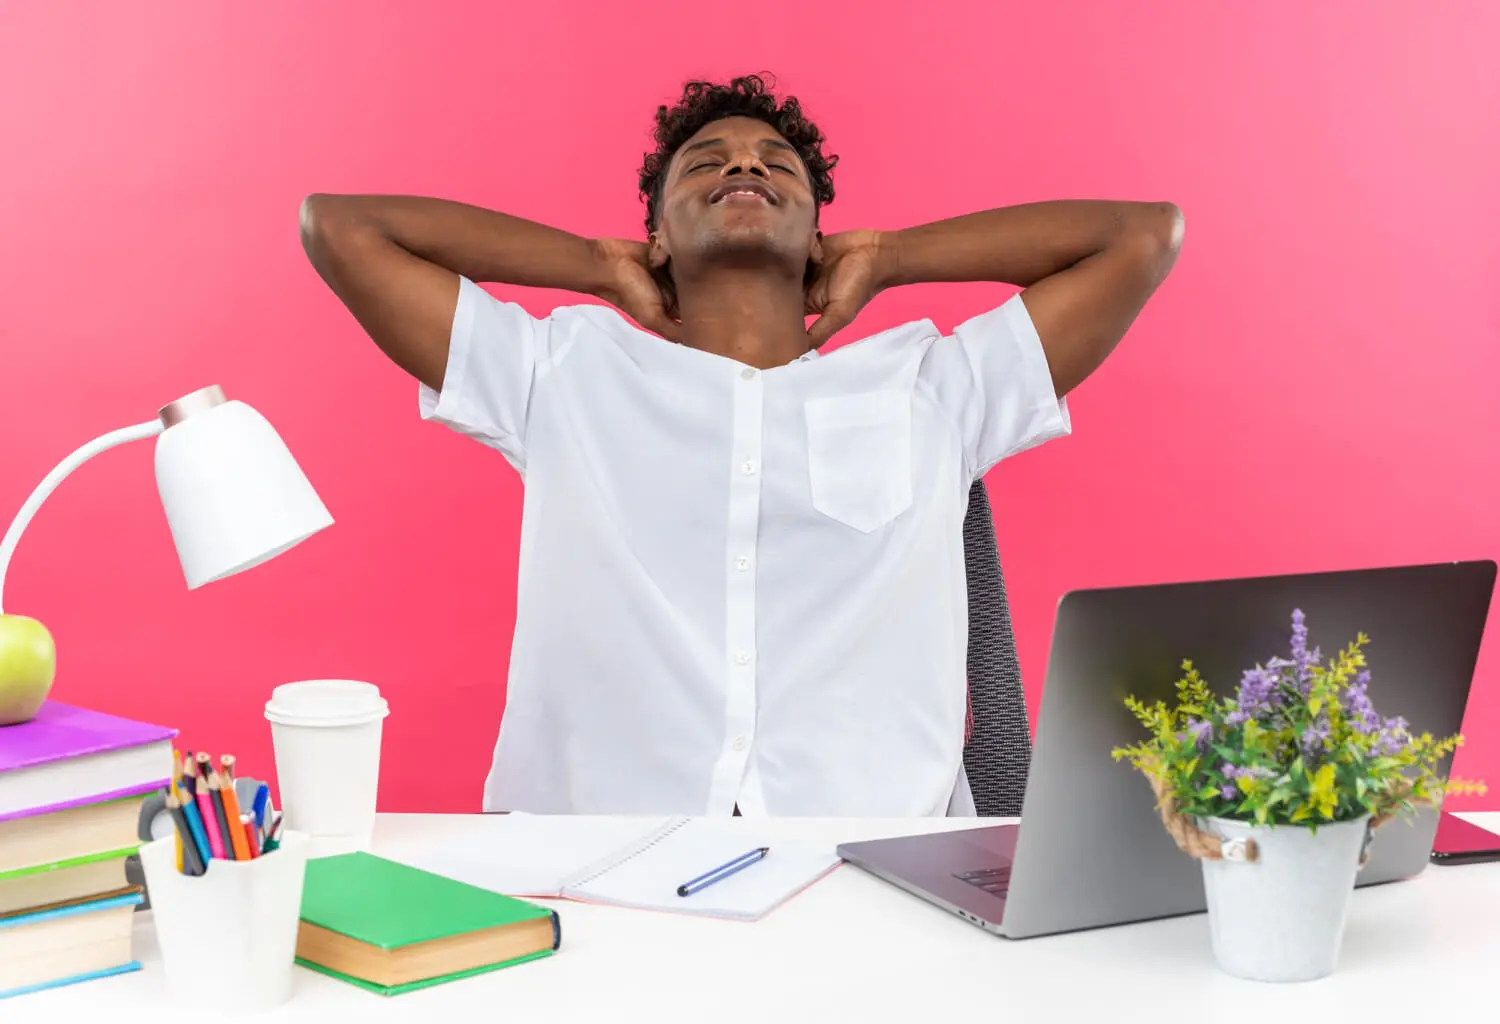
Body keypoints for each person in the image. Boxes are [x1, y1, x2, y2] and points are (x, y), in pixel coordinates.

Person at [299, 74, 1182, 817]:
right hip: (593, 861)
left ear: (817, 237)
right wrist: (592, 264)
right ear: (658, 236)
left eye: (775, 163)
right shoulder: (559, 371)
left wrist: (893, 253)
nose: (745, 165)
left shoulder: (930, 387)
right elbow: (342, 229)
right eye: (706, 163)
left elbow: (1142, 237)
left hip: (872, 868)